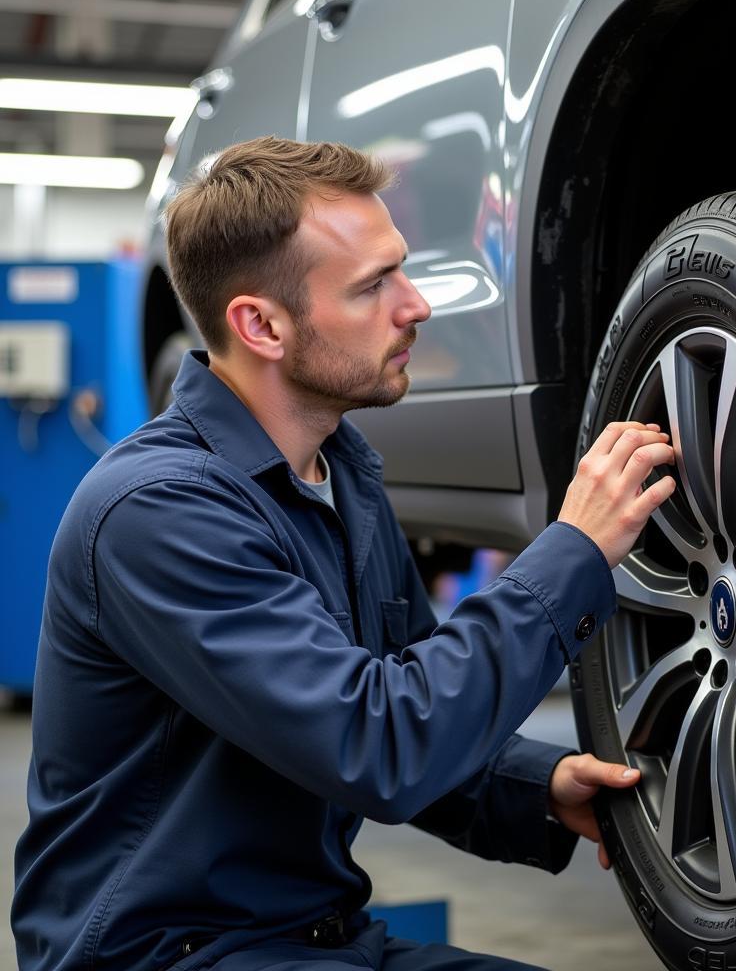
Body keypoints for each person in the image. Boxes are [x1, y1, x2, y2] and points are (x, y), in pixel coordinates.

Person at [11, 137, 676, 971]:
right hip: (166, 956)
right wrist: (574, 550)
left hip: (317, 939)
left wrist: (534, 789)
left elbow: (404, 687)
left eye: (401, 268)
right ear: (261, 324)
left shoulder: (342, 473)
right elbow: (381, 744)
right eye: (373, 286)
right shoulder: (158, 511)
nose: (418, 305)